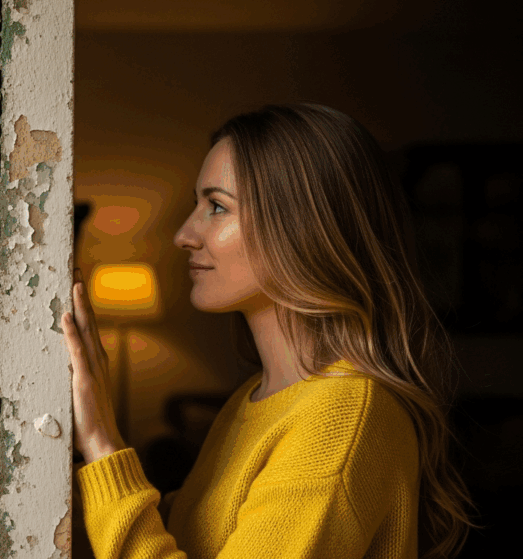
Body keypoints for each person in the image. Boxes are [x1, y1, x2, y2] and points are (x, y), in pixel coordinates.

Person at [62, 103, 480, 559]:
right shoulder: (253, 402)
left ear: (301, 227)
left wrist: (103, 443)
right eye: (196, 205)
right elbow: (177, 541)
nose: (184, 234)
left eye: (217, 206)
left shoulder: (345, 417)